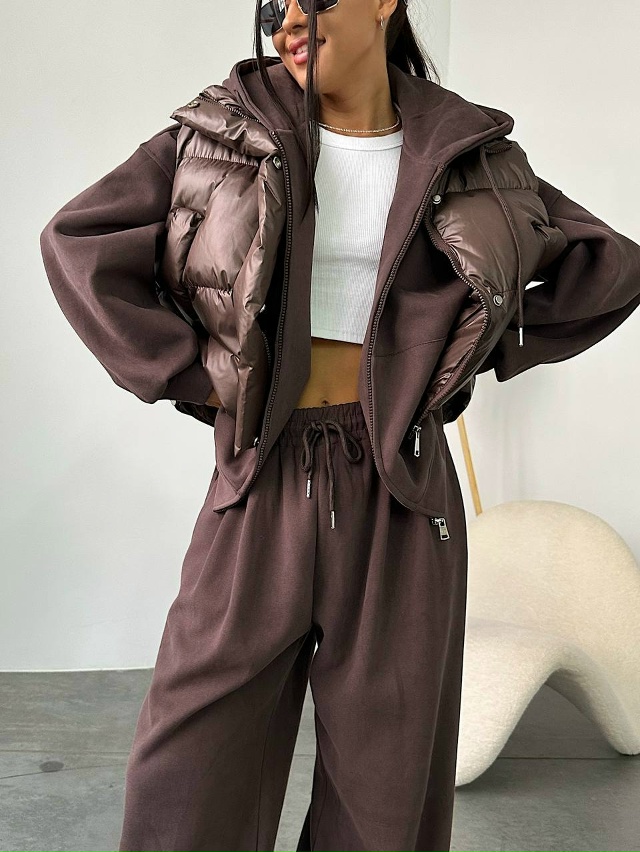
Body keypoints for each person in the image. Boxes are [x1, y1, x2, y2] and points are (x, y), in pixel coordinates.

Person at [39, 1, 640, 850]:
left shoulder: (468, 154)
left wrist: (473, 349)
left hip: (401, 484)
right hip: (261, 472)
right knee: (189, 770)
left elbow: (609, 267)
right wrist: (203, 376)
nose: (289, 19)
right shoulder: (223, 132)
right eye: (273, 5)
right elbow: (78, 240)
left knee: (384, 792)